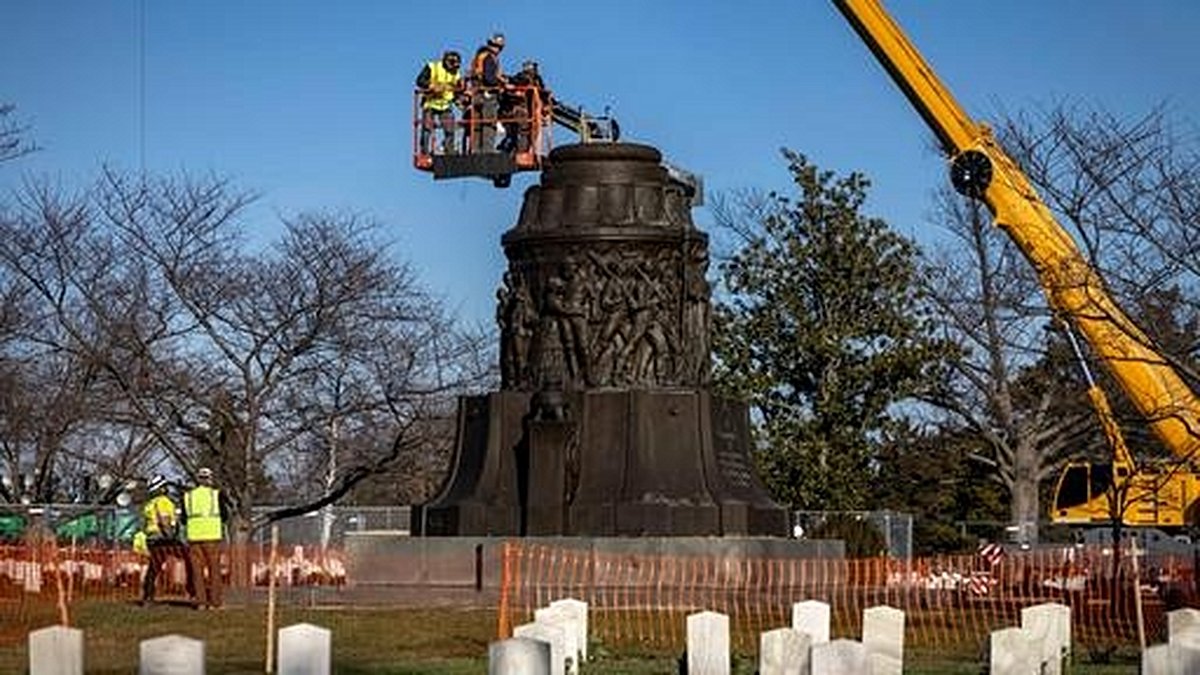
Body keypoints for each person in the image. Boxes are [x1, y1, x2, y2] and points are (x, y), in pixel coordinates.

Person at [183, 466, 228, 610]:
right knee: (214, 570)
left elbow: (183, 519)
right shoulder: (216, 494)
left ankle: (201, 603)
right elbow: (225, 515)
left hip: (194, 538)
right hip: (212, 537)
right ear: (210, 479)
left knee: (197, 572)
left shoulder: (188, 496)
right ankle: (215, 603)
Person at [139, 475, 185, 605]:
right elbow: (164, 521)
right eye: (165, 486)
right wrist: (171, 537)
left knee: (153, 568)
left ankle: (148, 596)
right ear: (162, 488)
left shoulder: (149, 504)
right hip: (163, 538)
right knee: (189, 557)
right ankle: (194, 590)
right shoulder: (163, 501)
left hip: (152, 538)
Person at [415, 50, 463, 155]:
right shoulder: (432, 67)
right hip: (430, 103)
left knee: (450, 129)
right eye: (452, 64)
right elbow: (419, 81)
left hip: (446, 104)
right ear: (446, 61)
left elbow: (458, 90)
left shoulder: (456, 74)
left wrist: (459, 99)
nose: (454, 68)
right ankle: (425, 152)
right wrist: (431, 86)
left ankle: (449, 151)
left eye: (456, 66)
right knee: (427, 128)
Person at [499, 59, 550, 153]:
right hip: (521, 110)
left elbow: (543, 93)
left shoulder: (536, 80)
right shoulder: (523, 78)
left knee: (523, 133)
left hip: (529, 111)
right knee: (522, 131)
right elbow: (516, 81)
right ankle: (519, 152)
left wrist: (547, 104)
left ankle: (513, 149)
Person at [468, 32, 507, 153]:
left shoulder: (480, 56)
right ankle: (487, 151)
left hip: (477, 94)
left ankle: (475, 151)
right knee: (489, 123)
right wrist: (502, 85)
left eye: (499, 47)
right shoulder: (489, 58)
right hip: (487, 94)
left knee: (477, 124)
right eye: (496, 46)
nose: (498, 49)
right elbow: (489, 78)